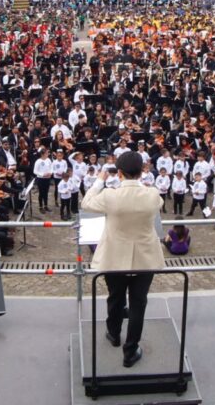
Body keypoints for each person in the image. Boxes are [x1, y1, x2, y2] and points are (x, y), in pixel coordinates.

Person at [81, 150, 164, 369]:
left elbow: (86, 203)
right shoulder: (152, 194)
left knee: (115, 297)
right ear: (143, 171)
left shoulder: (110, 196)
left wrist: (100, 180)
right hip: (145, 259)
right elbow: (158, 203)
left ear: (119, 173)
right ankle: (130, 351)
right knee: (138, 304)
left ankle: (113, 333)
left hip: (114, 256)